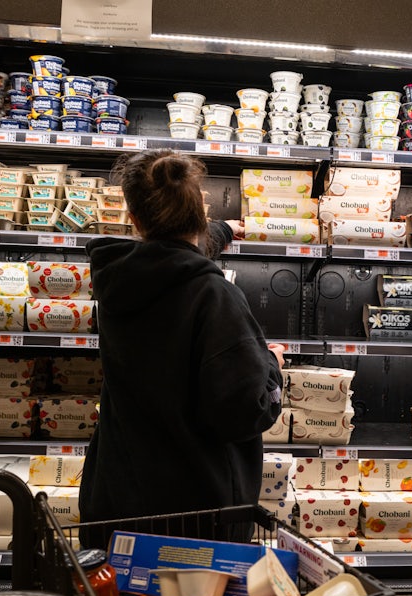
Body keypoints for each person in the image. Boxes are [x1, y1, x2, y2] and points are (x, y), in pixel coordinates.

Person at [79, 149, 285, 546]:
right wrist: (272, 367)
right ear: (198, 215)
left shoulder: (119, 285)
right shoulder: (214, 296)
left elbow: (169, 260)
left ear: (136, 220)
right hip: (194, 517)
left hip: (118, 504)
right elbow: (245, 411)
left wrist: (222, 231)